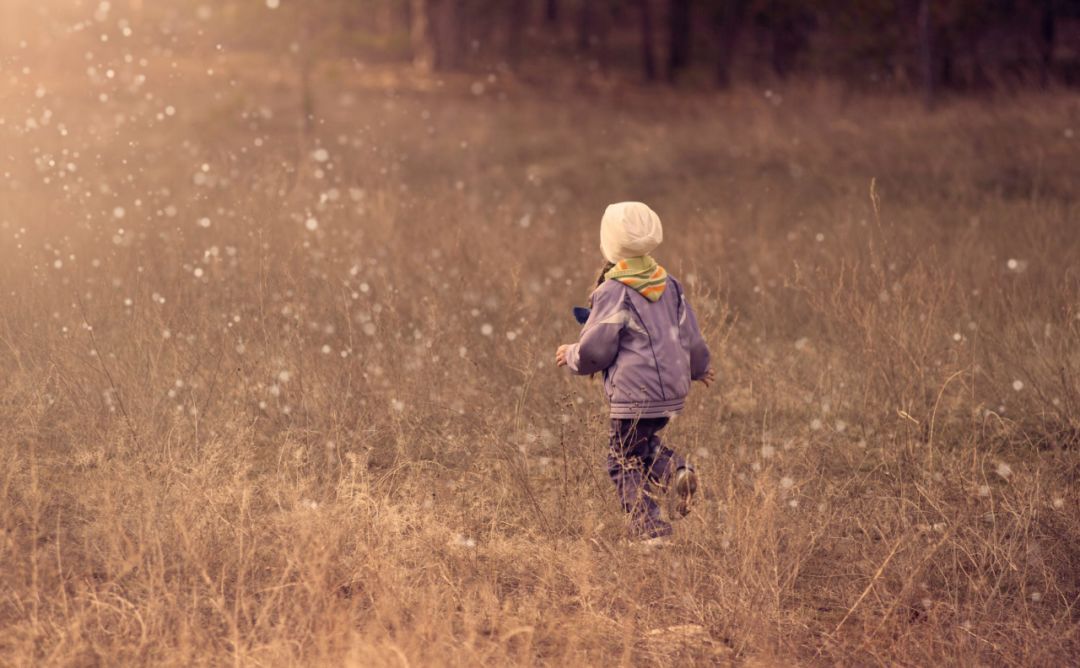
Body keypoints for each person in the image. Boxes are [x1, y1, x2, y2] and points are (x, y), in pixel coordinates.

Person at [556, 201, 714, 541]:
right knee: (640, 448)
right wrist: (699, 368)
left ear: (609, 242)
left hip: (634, 393)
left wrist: (571, 355)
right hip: (670, 392)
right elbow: (691, 335)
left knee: (621, 460)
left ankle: (650, 530)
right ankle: (677, 471)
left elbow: (596, 349)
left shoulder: (614, 291)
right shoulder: (670, 285)